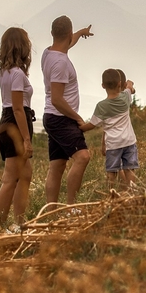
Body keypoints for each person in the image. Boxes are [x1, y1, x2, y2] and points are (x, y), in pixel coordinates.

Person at [40, 15, 94, 208]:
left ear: (52, 34)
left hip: (51, 117)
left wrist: (80, 33)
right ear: (68, 34)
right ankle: (71, 208)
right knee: (83, 157)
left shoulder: (48, 53)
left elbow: (67, 43)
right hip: (61, 118)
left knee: (57, 165)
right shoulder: (61, 63)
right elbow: (57, 99)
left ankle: (51, 212)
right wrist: (78, 118)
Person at [0, 27, 34, 233]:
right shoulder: (17, 74)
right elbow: (18, 108)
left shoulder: (4, 72)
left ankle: (19, 223)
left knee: (25, 174)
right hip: (16, 123)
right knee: (11, 177)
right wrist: (26, 139)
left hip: (6, 121)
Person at [81, 69, 138, 192]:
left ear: (103, 86)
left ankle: (110, 195)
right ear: (119, 84)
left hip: (113, 144)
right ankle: (132, 194)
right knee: (130, 169)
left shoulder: (101, 106)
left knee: (111, 172)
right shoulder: (125, 97)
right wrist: (130, 86)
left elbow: (91, 125)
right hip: (129, 141)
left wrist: (80, 128)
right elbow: (130, 85)